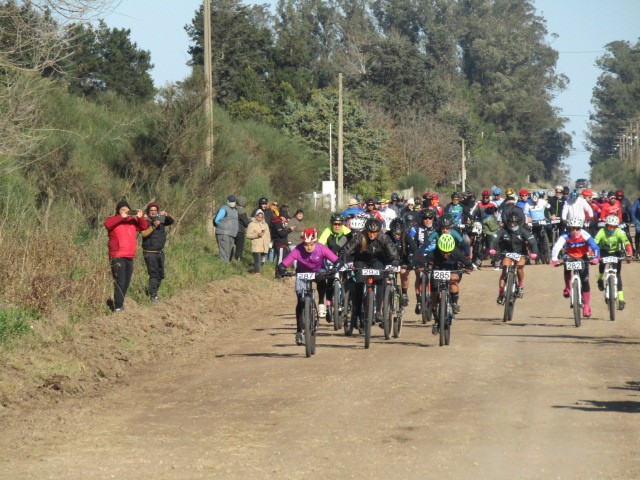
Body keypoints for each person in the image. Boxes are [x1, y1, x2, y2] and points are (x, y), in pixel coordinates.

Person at [277, 228, 339, 346]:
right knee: (300, 302)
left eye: (311, 244)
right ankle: (299, 331)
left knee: (322, 278)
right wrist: (281, 267)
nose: (308, 247)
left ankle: (321, 302)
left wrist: (336, 267)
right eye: (306, 244)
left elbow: (336, 260)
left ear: (316, 242)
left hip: (318, 271)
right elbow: (286, 261)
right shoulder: (298, 249)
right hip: (302, 273)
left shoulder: (321, 248)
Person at [340, 218, 400, 329]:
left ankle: (377, 311)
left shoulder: (383, 237)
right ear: (366, 231)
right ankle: (357, 313)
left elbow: (393, 253)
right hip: (361, 260)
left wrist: (395, 261)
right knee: (359, 283)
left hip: (378, 260)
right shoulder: (360, 237)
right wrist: (343, 259)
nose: (372, 235)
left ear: (378, 232)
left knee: (379, 280)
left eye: (374, 233)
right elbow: (346, 250)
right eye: (370, 232)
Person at [415, 233, 473, 334]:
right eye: (443, 252)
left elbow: (467, 262)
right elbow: (423, 260)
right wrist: (419, 264)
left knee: (453, 280)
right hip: (437, 272)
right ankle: (436, 319)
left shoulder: (456, 251)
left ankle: (454, 302)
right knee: (434, 294)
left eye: (448, 252)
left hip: (452, 271)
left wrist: (469, 267)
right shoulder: (434, 252)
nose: (446, 254)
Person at [551, 217, 601, 318]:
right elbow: (557, 247)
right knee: (566, 265)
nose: (574, 231)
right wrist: (554, 258)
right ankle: (568, 287)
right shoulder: (565, 235)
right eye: (572, 228)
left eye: (577, 228)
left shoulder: (585, 235)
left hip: (582, 257)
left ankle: (586, 305)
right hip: (570, 256)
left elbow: (595, 247)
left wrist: (596, 258)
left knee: (585, 281)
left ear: (580, 228)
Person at [104, 199, 148, 312]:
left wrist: (140, 217)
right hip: (117, 256)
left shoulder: (132, 222)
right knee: (120, 281)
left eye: (127, 210)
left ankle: (120, 304)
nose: (125, 212)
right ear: (118, 211)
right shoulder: (113, 220)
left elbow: (143, 227)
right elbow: (107, 224)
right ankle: (118, 308)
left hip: (129, 256)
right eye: (122, 210)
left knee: (126, 282)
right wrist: (121, 217)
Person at [489, 211, 538, 304]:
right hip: (507, 253)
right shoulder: (503, 230)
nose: (512, 224)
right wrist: (492, 248)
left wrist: (534, 253)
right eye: (510, 223)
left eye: (514, 223)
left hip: (521, 254)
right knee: (504, 270)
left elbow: (532, 241)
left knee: (519, 268)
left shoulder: (523, 231)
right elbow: (494, 239)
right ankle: (500, 293)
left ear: (518, 223)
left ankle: (520, 285)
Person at [593, 215, 632, 310]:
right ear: (606, 225)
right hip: (604, 251)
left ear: (617, 226)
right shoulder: (602, 231)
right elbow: (595, 242)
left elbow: (627, 243)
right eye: (610, 226)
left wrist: (629, 253)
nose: (612, 228)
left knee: (617, 274)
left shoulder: (619, 232)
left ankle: (621, 299)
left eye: (614, 226)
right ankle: (600, 278)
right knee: (602, 264)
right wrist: (592, 253)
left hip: (616, 253)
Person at [317, 212, 352, 318]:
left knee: (348, 278)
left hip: (344, 258)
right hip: (331, 258)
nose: (337, 226)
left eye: (339, 224)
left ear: (342, 224)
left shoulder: (346, 231)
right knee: (329, 279)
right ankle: (328, 302)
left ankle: (348, 300)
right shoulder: (327, 230)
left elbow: (352, 243)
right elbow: (320, 244)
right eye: (334, 224)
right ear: (331, 224)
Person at [140, 203, 174, 303]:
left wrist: (167, 214)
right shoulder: (145, 221)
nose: (153, 212)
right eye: (151, 210)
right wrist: (153, 226)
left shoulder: (161, 219)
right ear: (148, 212)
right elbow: (143, 233)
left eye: (155, 210)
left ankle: (154, 293)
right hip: (149, 252)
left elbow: (171, 221)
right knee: (154, 274)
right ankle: (153, 296)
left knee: (161, 275)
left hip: (160, 252)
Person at [386, 218, 418, 307]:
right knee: (386, 277)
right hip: (390, 260)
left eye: (399, 234)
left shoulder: (406, 236)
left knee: (404, 272)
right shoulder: (387, 235)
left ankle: (404, 293)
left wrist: (412, 262)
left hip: (403, 259)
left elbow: (415, 249)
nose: (397, 236)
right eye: (395, 234)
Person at [213, 194, 239, 262]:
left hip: (232, 234)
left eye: (233, 201)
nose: (232, 203)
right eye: (231, 201)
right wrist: (223, 227)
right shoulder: (223, 209)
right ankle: (223, 268)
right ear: (227, 201)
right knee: (224, 251)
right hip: (223, 233)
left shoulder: (235, 210)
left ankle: (226, 267)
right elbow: (217, 220)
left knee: (228, 251)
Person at [246, 209, 271, 274]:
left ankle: (255, 271)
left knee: (262, 262)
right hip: (256, 245)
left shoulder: (265, 225)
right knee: (258, 260)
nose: (260, 218)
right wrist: (257, 235)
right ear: (256, 216)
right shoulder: (251, 224)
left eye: (261, 217)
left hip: (264, 245)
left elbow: (268, 235)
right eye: (258, 217)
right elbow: (248, 235)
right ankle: (257, 274)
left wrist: (268, 243)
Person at [233, 196, 251, 261]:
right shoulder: (242, 211)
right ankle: (238, 259)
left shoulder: (233, 209)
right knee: (239, 247)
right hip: (239, 231)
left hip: (231, 230)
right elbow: (246, 223)